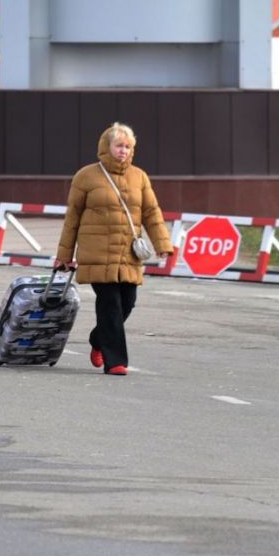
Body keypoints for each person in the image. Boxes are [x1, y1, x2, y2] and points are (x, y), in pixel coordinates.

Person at [52, 122, 175, 377]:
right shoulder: (86, 176)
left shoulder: (139, 177)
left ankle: (98, 339)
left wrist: (163, 244)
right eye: (119, 145)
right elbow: (72, 218)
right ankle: (115, 361)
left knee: (127, 303)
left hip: (127, 253)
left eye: (128, 147)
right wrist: (64, 255)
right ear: (106, 147)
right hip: (96, 253)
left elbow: (152, 212)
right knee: (110, 303)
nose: (124, 151)